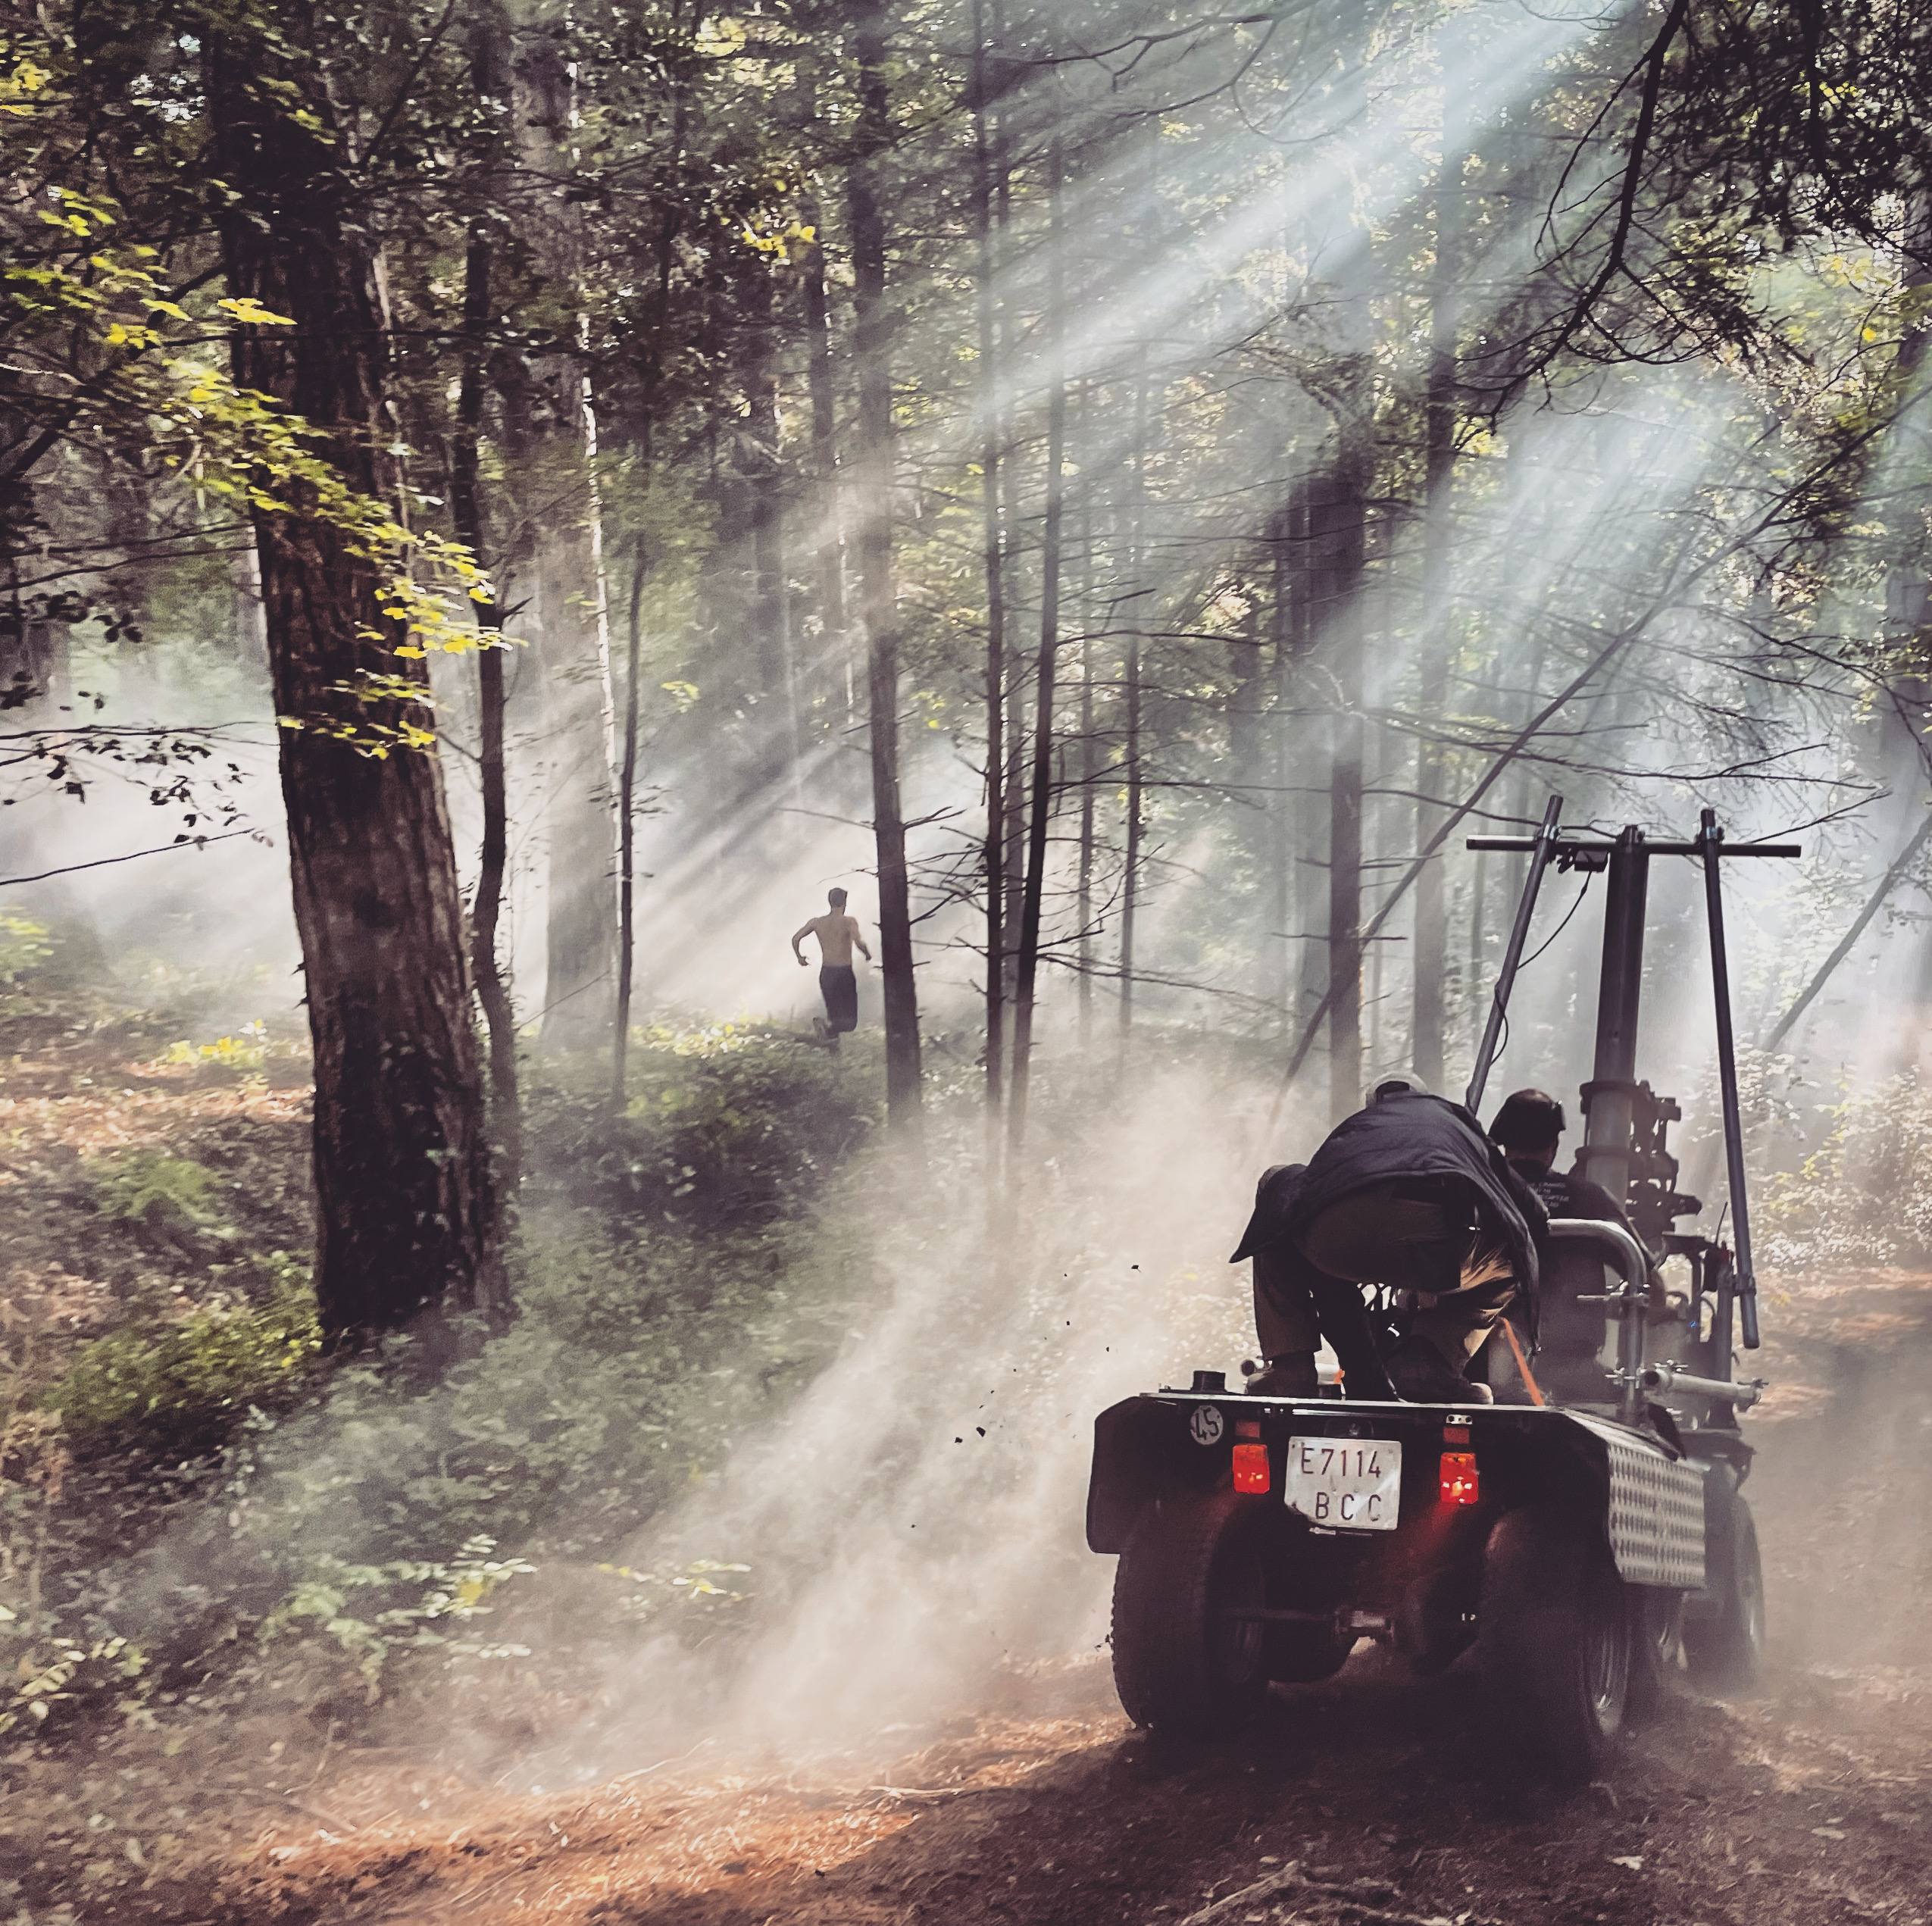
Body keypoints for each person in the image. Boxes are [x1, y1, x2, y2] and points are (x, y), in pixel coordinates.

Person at [1232, 1077, 1549, 1404]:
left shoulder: (1355, 1129)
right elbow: (1534, 1214)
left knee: (1277, 1186)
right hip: (1433, 1245)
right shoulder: (1453, 1123)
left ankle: (1290, 1368)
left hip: (1334, 1238)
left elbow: (1300, 1193)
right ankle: (1428, 1366)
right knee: (1512, 1258)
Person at [1486, 1087, 1669, 1398]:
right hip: (1569, 1375)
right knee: (1644, 1413)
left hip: (1478, 1370)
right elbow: (1651, 1285)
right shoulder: (1589, 1199)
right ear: (1554, 1147)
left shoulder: (1477, 1195)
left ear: (1503, 1143)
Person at [791, 887, 871, 1046]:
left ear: (830, 902)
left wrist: (800, 958)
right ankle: (825, 1029)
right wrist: (867, 954)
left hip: (827, 973)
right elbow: (858, 942)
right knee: (850, 1023)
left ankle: (831, 1046)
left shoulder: (817, 922)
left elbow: (796, 938)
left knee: (834, 1019)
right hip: (844, 973)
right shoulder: (849, 921)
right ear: (844, 902)